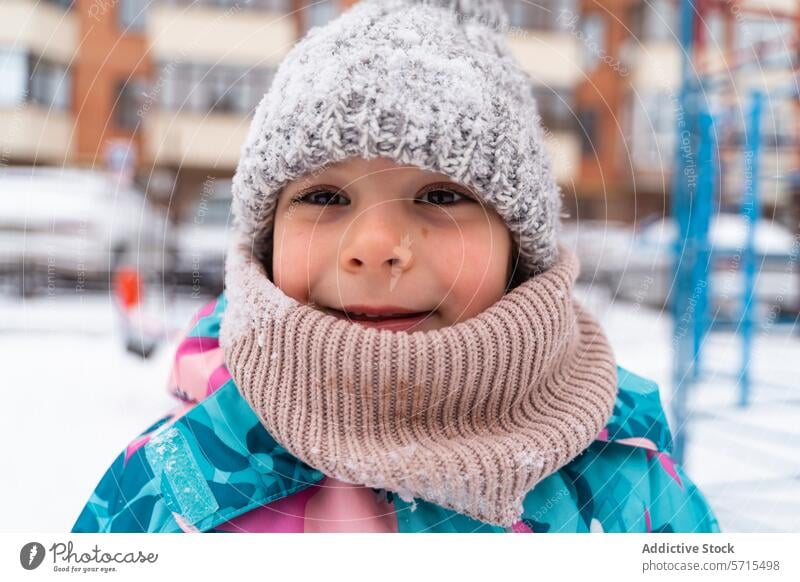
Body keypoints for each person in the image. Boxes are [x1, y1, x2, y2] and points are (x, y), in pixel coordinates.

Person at [72, 0, 720, 533]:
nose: (377, 244)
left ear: (518, 249)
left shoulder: (630, 492)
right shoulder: (165, 490)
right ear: (266, 240)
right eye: (324, 197)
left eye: (443, 196)